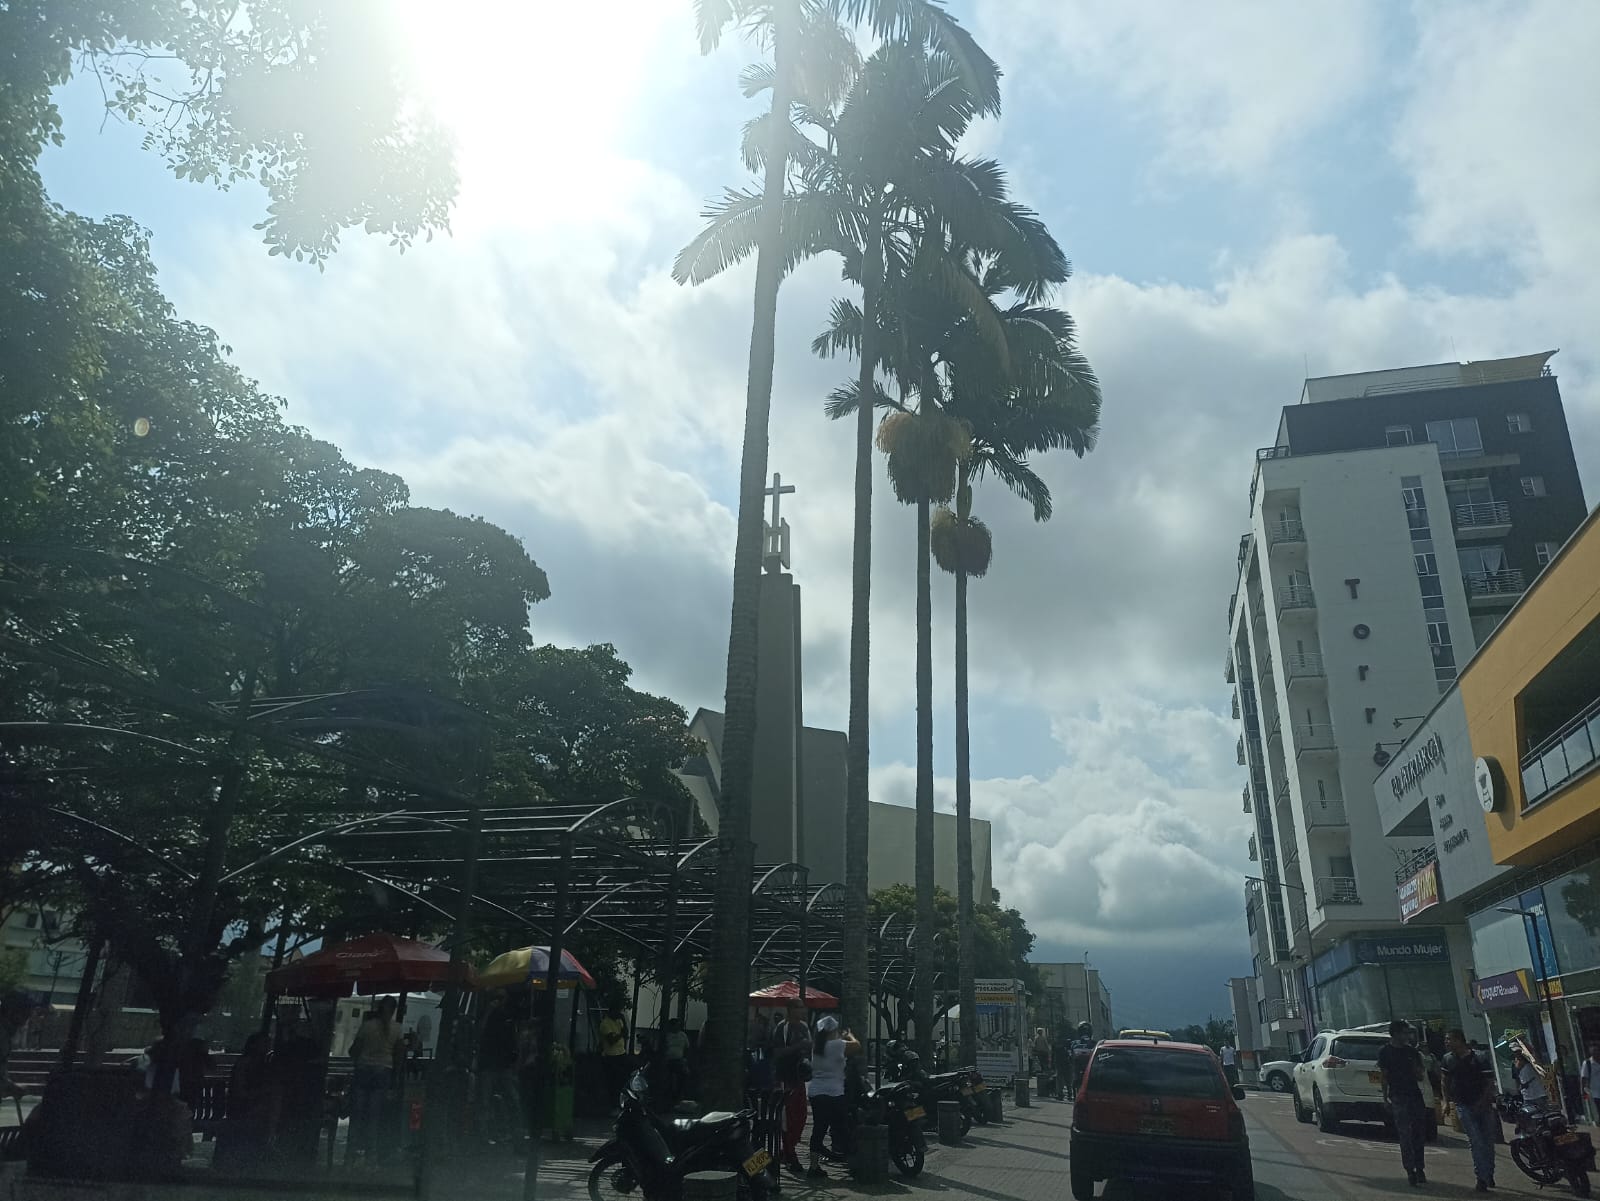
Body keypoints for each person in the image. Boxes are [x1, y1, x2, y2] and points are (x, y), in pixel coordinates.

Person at [345, 996, 401, 1165]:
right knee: (374, 1116)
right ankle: (371, 1156)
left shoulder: (367, 1026)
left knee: (357, 1114)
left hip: (363, 1070)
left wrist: (359, 1060)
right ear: (393, 1011)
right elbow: (399, 1055)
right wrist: (395, 1077)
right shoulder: (397, 1029)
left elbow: (354, 1050)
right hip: (383, 1071)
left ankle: (350, 1155)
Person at [1442, 1029, 1497, 1192]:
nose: (1447, 1042)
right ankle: (1481, 1177)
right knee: (1475, 1141)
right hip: (1463, 1105)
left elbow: (1489, 1082)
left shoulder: (1479, 1057)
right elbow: (1444, 1081)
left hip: (1483, 1105)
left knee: (1487, 1141)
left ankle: (1489, 1173)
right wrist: (1445, 1101)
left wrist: (1482, 1101)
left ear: (1459, 1040)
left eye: (1449, 1039)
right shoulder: (1447, 1059)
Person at [805, 1016, 860, 1179]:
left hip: (816, 1093)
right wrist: (849, 1035)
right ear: (832, 1031)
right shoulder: (836, 1045)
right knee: (842, 1128)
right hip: (834, 1093)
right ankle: (852, 1163)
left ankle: (813, 1166)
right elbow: (857, 1046)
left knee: (818, 1129)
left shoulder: (817, 1047)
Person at [1378, 1019, 1429, 1187]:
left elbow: (1420, 1075)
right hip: (1398, 1096)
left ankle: (1420, 1167)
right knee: (1405, 1134)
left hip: (1414, 1095)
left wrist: (1419, 1062)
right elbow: (1384, 1076)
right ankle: (1410, 1170)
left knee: (1418, 1133)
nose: (1408, 1036)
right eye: (1405, 1033)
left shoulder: (1411, 1052)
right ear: (1397, 1033)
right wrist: (1385, 1097)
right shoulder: (1385, 1052)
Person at [215, 1032, 274, 1173]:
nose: (267, 1047)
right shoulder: (245, 1064)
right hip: (242, 1110)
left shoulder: (258, 1065)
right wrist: (263, 1093)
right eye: (264, 1044)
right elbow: (240, 1093)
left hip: (247, 1108)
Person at [772, 1005, 813, 1174]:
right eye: (798, 1008)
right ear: (791, 1010)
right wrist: (798, 1047)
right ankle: (790, 1154)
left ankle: (788, 1148)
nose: (802, 1011)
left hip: (799, 1077)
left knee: (801, 1114)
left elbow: (809, 1047)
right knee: (787, 1118)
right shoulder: (782, 1027)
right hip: (785, 1078)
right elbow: (777, 1053)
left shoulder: (804, 1026)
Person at [599, 1004, 630, 1109]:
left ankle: (620, 1104)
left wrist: (624, 1021)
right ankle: (613, 1106)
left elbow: (625, 1034)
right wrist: (621, 1033)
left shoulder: (618, 1022)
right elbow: (611, 1040)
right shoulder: (605, 1023)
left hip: (621, 1053)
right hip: (611, 1055)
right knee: (613, 1081)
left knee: (622, 1081)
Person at [1582, 1045, 1600, 1125]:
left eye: (1597, 1050)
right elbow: (1583, 1077)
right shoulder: (1587, 1063)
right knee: (1597, 1108)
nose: (1596, 1053)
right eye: (1594, 1051)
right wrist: (1583, 1091)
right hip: (1594, 1091)